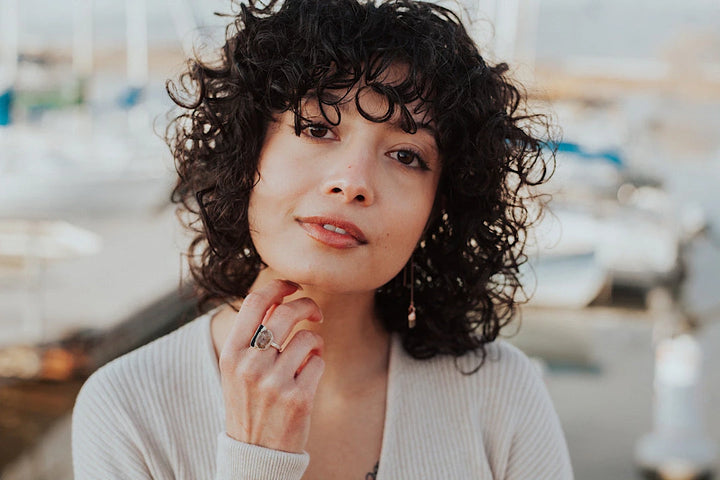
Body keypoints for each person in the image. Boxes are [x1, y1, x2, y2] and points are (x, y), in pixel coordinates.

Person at [72, 0, 573, 478]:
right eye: (316, 128)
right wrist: (256, 459)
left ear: (439, 208)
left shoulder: (500, 391)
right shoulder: (127, 407)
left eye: (405, 156)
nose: (352, 181)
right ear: (249, 154)